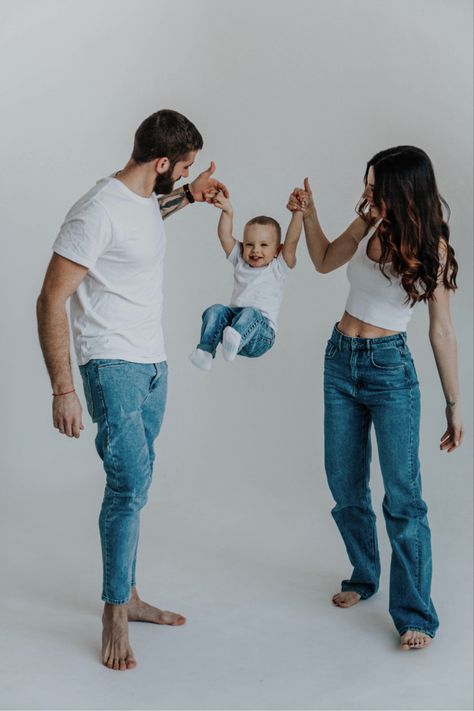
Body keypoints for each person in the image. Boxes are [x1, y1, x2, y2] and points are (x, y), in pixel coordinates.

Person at [36, 109, 228, 671]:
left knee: (137, 485)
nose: (184, 173)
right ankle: (114, 612)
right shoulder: (95, 210)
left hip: (153, 366)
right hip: (111, 365)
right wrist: (62, 390)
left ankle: (130, 592)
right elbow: (50, 300)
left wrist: (190, 195)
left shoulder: (144, 199)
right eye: (183, 167)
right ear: (161, 162)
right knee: (127, 485)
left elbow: (146, 220)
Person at [289, 146, 463, 650]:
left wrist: (454, 403)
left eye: (375, 186)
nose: (366, 193)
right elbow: (322, 261)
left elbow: (442, 330)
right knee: (344, 483)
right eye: (367, 184)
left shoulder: (433, 246)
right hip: (340, 360)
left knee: (403, 499)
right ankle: (364, 575)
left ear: (403, 190)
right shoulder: (367, 222)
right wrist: (308, 213)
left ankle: (414, 614)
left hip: (390, 372)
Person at [189, 189, 305, 370]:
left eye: (264, 245)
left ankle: (235, 336)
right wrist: (227, 211)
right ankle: (205, 352)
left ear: (277, 250)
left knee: (251, 312)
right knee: (215, 310)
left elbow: (292, 241)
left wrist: (298, 212)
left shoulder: (278, 266)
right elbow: (224, 235)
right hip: (233, 327)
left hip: (260, 334)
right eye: (249, 244)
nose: (255, 250)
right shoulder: (240, 260)